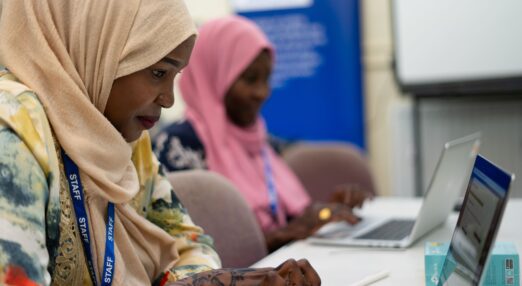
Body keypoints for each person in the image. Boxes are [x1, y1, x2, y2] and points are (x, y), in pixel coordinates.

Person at [0, 1, 320, 285]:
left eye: (174, 76)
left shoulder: (123, 137)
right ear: (99, 45)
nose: (168, 100)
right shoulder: (13, 133)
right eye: (157, 72)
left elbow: (190, 242)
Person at [154, 15, 372, 253]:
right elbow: (191, 253)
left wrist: (328, 210)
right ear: (214, 75)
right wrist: (282, 235)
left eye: (267, 79)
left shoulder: (259, 142)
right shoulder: (178, 145)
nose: (262, 92)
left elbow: (291, 217)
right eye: (250, 79)